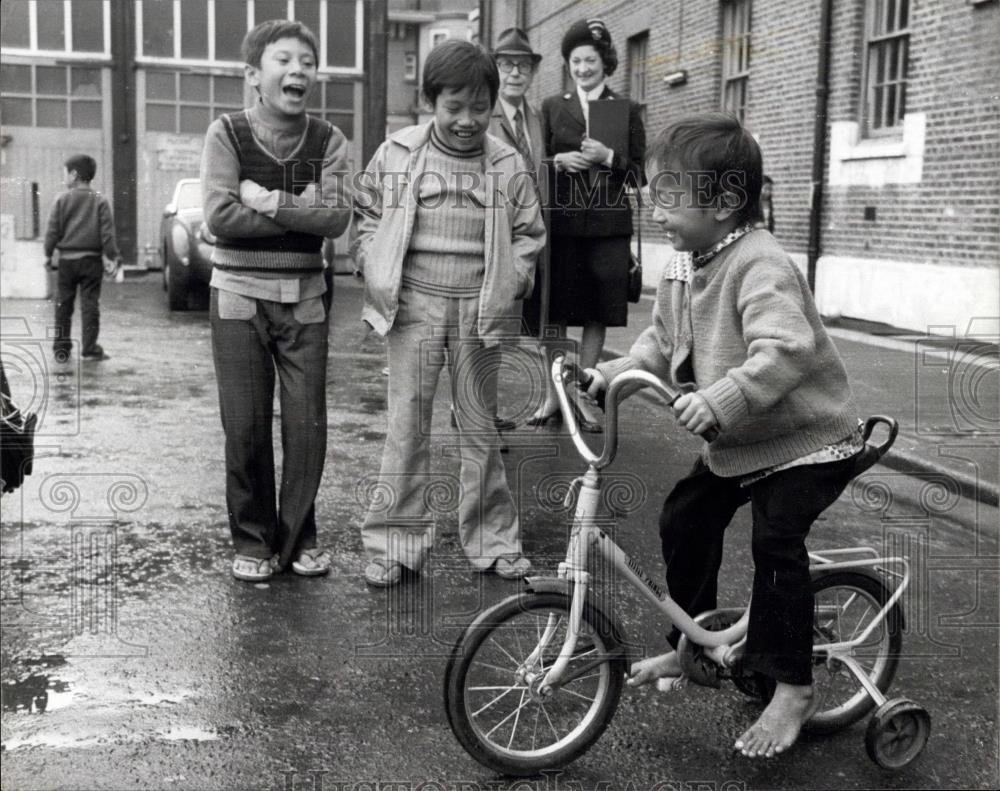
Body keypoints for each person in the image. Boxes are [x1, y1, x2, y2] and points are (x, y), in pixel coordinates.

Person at [585, 113, 864, 759]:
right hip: (745, 442)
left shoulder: (760, 263)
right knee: (686, 515)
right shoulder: (686, 263)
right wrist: (610, 372)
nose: (653, 208)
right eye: (651, 192)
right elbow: (663, 342)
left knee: (776, 539)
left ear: (724, 202)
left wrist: (720, 397)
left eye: (668, 195)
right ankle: (693, 646)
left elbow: (786, 348)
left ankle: (793, 685)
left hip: (809, 438)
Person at [352, 40, 545, 588]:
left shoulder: (506, 162)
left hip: (481, 311)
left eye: (478, 108)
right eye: (452, 107)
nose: (466, 120)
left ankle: (493, 541)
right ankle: (393, 543)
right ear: (429, 101)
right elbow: (365, 213)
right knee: (406, 427)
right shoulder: (395, 153)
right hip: (413, 308)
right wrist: (374, 264)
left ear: (491, 105)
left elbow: (530, 233)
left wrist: (512, 281)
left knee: (479, 429)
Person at [200, 19, 352, 583]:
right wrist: (299, 208)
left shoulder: (330, 140)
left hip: (305, 298)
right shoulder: (226, 133)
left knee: (307, 427)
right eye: (283, 60)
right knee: (244, 427)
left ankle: (299, 539)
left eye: (307, 62)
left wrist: (263, 198)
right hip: (237, 297)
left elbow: (337, 217)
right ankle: (253, 540)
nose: (298, 71)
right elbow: (219, 218)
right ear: (253, 75)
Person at [527, 18, 645, 432]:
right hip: (561, 225)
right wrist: (558, 161)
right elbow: (533, 164)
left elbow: (640, 177)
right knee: (554, 311)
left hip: (608, 227)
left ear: (605, 62)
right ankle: (552, 393)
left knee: (597, 311)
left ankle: (580, 390)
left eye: (590, 60)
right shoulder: (551, 107)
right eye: (575, 61)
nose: (582, 69)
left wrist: (610, 158)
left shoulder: (626, 109)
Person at [481, 27, 546, 436]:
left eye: (523, 66)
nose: (515, 73)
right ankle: (475, 412)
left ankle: (484, 409)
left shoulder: (535, 119)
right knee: (484, 324)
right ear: (495, 70)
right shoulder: (485, 114)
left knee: (504, 327)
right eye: (506, 65)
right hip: (491, 228)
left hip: (524, 234)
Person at [44, 154, 122, 363]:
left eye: (65, 173)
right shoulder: (100, 201)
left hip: (67, 262)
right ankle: (89, 349)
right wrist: (112, 257)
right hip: (91, 261)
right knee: (90, 305)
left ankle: (61, 348)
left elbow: (52, 231)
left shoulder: (62, 199)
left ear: (74, 174)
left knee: (63, 305)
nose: (64, 177)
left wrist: (48, 253)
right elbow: (107, 234)